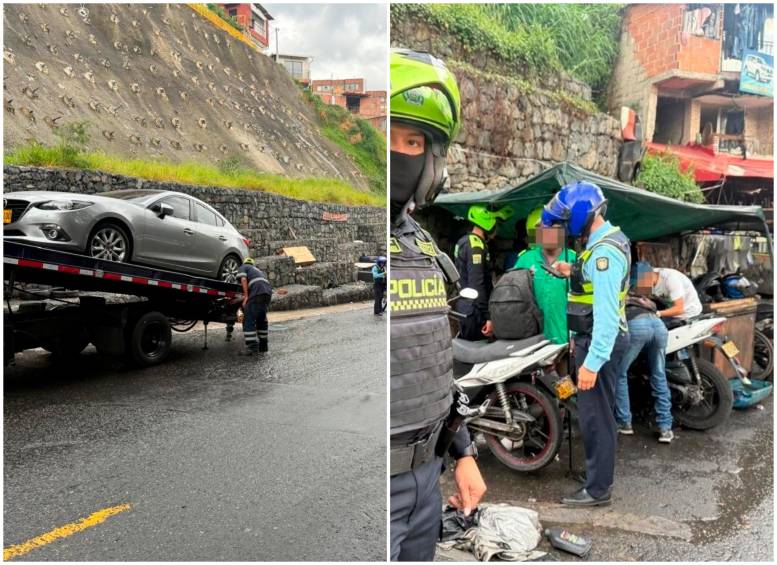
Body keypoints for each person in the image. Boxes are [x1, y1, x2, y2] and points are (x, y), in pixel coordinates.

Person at [389, 48, 486, 561]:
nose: (401, 152)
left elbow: (433, 367)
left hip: (428, 477)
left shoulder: (424, 249)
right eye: (389, 134)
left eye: (414, 141)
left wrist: (463, 451)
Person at [541, 181, 630, 507]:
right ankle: (597, 475)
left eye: (565, 223)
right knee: (595, 414)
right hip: (597, 340)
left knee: (596, 418)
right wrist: (571, 271)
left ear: (580, 216)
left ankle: (597, 491)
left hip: (599, 343)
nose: (563, 231)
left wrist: (592, 362)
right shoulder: (605, 242)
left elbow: (606, 313)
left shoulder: (605, 253)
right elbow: (594, 282)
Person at [615, 264, 674, 443]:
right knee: (659, 374)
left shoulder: (622, 291)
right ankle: (665, 428)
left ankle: (625, 423)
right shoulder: (647, 296)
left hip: (638, 326)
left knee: (620, 372)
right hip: (659, 326)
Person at [514, 206, 576, 345]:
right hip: (532, 339)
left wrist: (576, 336)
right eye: (542, 230)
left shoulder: (574, 260)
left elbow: (584, 301)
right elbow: (513, 296)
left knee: (564, 366)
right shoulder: (525, 260)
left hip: (565, 337)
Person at [453, 204, 512, 340]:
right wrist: (488, 317)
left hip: (465, 306)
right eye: (496, 225)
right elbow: (477, 285)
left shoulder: (463, 241)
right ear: (487, 224)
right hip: (474, 311)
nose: (497, 230)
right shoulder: (476, 246)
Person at [632, 261, 703, 322]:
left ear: (649, 275)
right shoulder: (649, 277)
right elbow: (643, 295)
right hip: (670, 310)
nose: (640, 286)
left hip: (687, 313)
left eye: (640, 283)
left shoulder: (670, 279)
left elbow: (679, 309)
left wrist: (658, 313)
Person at [236, 257, 272, 356]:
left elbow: (243, 279)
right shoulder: (258, 271)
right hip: (267, 293)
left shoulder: (243, 267)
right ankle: (263, 346)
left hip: (257, 292)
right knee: (261, 317)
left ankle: (252, 347)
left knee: (248, 318)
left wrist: (246, 296)